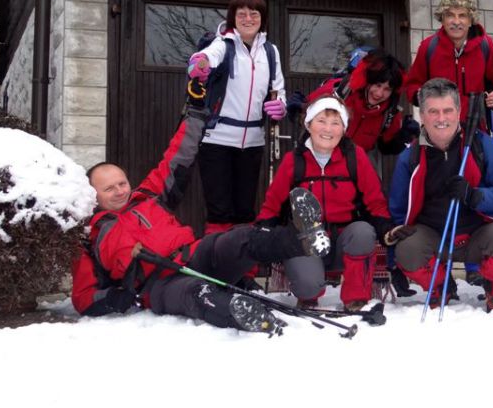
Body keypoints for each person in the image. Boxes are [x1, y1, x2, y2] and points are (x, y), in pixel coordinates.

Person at [71, 107, 325, 334]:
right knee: (198, 294)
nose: (120, 191)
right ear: (93, 194)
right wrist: (112, 297)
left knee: (243, 237)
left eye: (122, 183)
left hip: (193, 255)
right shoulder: (91, 236)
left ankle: (302, 239)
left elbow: (176, 157)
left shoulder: (148, 196)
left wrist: (196, 114)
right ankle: (247, 315)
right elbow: (83, 297)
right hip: (158, 285)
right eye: (109, 189)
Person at [386, 78, 493, 312]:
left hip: (477, 234)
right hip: (434, 238)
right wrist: (393, 258)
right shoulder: (411, 156)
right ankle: (440, 286)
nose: (441, 118)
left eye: (448, 110)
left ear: (458, 111)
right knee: (407, 247)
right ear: (422, 115)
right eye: (433, 111)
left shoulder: (482, 145)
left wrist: (475, 195)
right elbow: (398, 210)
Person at [256, 96, 394, 312]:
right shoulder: (294, 160)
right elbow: (272, 205)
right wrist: (262, 232)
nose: (328, 129)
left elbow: (375, 201)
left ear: (343, 129)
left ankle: (355, 299)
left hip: (343, 241)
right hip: (305, 241)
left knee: (363, 231)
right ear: (309, 124)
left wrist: (386, 229)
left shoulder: (354, 157)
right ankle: (308, 295)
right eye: (321, 121)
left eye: (335, 123)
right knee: (308, 285)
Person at [187, 0, 286, 234]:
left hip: (252, 142)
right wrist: (199, 63)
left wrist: (280, 106)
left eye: (254, 13)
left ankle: (244, 268)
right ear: (233, 18)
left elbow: (278, 89)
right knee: (219, 210)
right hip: (217, 140)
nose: (248, 19)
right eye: (241, 14)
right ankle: (218, 267)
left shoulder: (271, 52)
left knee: (245, 210)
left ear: (262, 18)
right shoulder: (223, 44)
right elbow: (207, 57)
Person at [403, 0, 493, 129]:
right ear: (442, 19)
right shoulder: (428, 47)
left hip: (474, 127)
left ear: (470, 20)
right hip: (437, 128)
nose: (456, 22)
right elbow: (412, 84)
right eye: (450, 15)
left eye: (462, 15)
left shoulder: (485, 46)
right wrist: (419, 96)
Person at [305, 48, 418, 155]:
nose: (379, 93)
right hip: (319, 157)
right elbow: (303, 113)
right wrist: (296, 108)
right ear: (367, 81)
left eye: (387, 89)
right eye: (377, 85)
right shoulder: (340, 91)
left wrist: (404, 136)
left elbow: (386, 147)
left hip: (355, 164)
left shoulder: (390, 113)